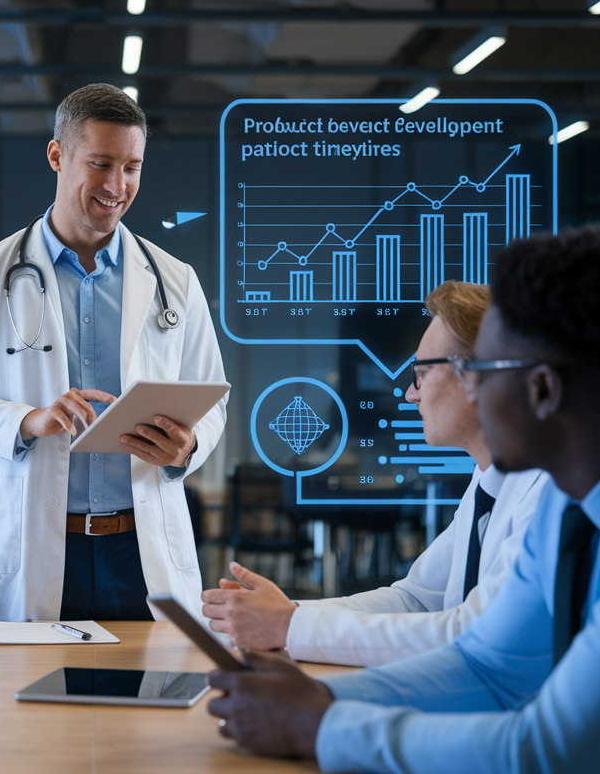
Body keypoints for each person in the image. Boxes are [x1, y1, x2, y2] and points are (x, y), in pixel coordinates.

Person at [207, 226, 600, 773]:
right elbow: (490, 664)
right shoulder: (574, 482)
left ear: (542, 389)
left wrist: (320, 727)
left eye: (481, 371)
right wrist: (325, 702)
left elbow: (551, 753)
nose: (470, 391)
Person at [0, 84, 227, 622]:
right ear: (57, 156)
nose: (118, 185)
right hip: (38, 546)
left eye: (132, 167)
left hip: (140, 552)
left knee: (150, 702)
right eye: (101, 163)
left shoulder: (175, 281)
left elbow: (213, 403)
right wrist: (29, 420)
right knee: (24, 702)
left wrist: (187, 446)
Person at [202, 282, 550, 666]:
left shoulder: (548, 494)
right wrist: (287, 614)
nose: (408, 394)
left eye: (420, 372)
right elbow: (415, 599)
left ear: (475, 376)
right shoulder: (486, 484)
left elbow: (472, 634)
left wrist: (290, 626)